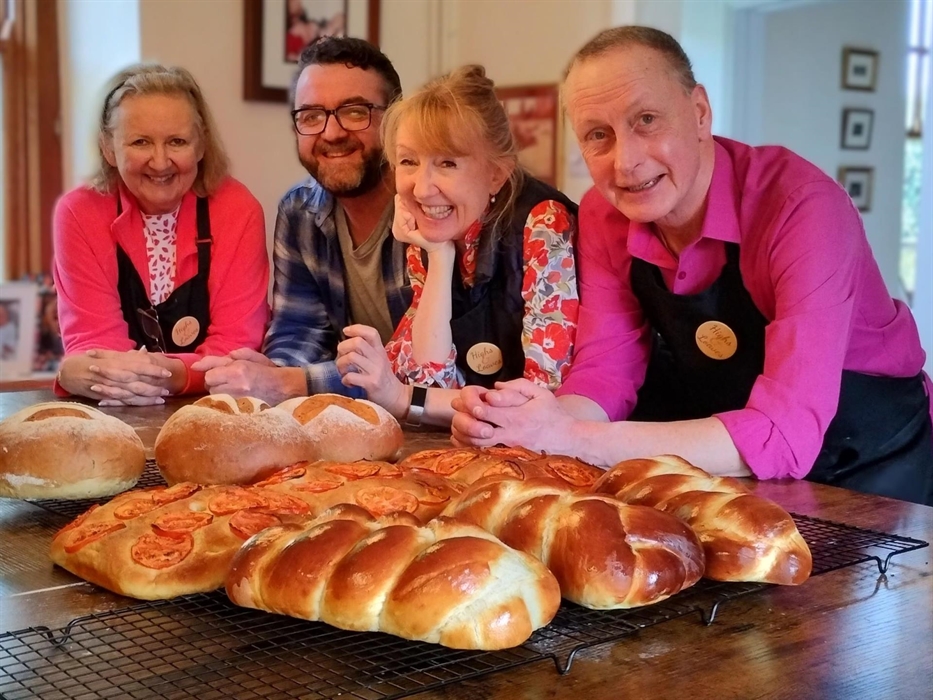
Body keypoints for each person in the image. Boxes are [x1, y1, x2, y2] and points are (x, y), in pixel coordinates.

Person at [451, 26, 933, 506]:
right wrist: (521, 419)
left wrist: (572, 438)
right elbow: (604, 374)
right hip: (730, 456)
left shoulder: (802, 208)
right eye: (599, 135)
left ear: (699, 112)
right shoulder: (604, 213)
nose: (627, 163)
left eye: (646, 120)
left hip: (875, 461)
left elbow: (783, 435)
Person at [334, 65, 579, 427]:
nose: (421, 188)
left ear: (497, 173)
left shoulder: (542, 222)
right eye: (408, 161)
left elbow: (538, 403)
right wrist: (439, 256)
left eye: (447, 162)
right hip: (474, 439)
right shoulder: (430, 231)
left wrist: (406, 400)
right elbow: (427, 380)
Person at [193, 37, 411, 404]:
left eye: (355, 111)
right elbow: (300, 330)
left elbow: (430, 365)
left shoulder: (431, 208)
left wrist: (290, 383)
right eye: (311, 116)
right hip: (349, 422)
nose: (331, 133)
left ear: (395, 119)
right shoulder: (299, 213)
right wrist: (271, 373)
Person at [53, 64, 269, 406]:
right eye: (140, 142)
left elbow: (236, 348)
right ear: (109, 149)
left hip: (218, 406)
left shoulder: (237, 209)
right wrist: (90, 371)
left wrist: (163, 373)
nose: (160, 161)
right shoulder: (78, 213)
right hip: (115, 406)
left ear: (201, 146)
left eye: (177, 142)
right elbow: (95, 347)